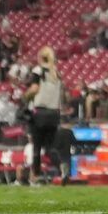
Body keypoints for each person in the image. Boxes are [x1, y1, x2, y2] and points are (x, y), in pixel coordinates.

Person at [25, 49, 64, 184]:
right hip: (54, 114)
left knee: (37, 147)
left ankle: (35, 176)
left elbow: (34, 89)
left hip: (40, 113)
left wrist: (26, 96)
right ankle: (62, 168)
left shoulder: (38, 71)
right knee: (50, 148)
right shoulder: (57, 73)